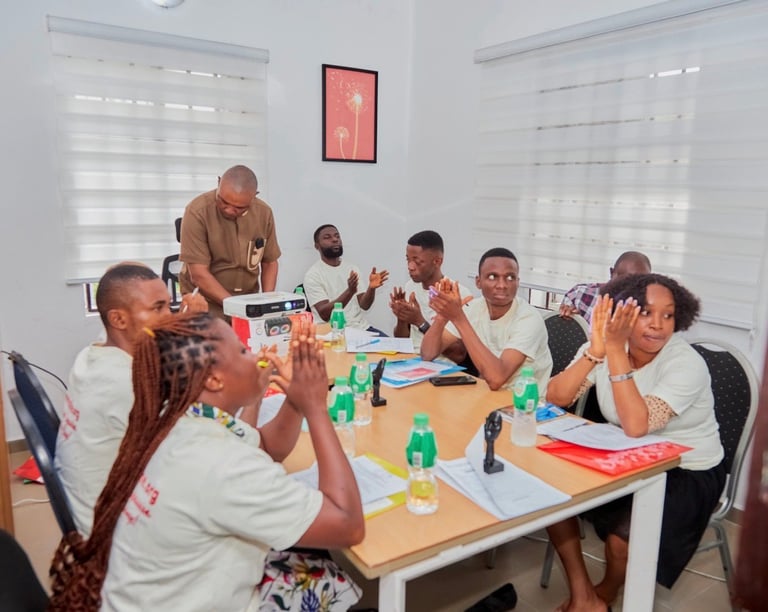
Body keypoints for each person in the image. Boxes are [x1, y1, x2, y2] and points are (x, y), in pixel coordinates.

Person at [49, 314, 365, 612]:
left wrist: (295, 403)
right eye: (243, 351)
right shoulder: (220, 463)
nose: (256, 356)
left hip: (152, 596)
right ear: (213, 379)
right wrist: (316, 408)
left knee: (313, 562)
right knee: (331, 578)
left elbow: (269, 447)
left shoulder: (181, 419)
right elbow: (348, 524)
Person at [545, 274, 725, 611]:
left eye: (668, 315)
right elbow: (555, 397)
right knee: (550, 494)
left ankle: (607, 591)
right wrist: (595, 353)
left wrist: (613, 352)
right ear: (620, 314)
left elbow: (637, 424)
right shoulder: (607, 345)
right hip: (627, 455)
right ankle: (585, 596)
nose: (658, 325)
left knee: (622, 541)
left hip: (686, 469)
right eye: (646, 312)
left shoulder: (686, 363)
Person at [55, 262, 206, 537]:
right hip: (114, 531)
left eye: (168, 306)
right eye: (157, 308)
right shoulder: (126, 384)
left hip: (99, 504)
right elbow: (193, 449)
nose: (168, 315)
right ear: (119, 320)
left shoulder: (94, 354)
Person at [420, 247, 552, 392]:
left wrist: (458, 318)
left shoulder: (529, 318)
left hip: (527, 405)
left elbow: (497, 379)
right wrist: (442, 316)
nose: (502, 285)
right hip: (487, 394)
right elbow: (427, 354)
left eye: (510, 278)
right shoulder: (474, 307)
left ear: (517, 282)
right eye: (492, 277)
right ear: (478, 282)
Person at [179, 165, 281, 319]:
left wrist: (267, 304)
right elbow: (199, 274)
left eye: (239, 208)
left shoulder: (264, 213)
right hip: (205, 305)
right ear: (218, 182)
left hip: (249, 302)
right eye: (223, 201)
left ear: (254, 196)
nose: (228, 210)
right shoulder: (197, 211)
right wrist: (235, 308)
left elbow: (270, 262)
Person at [389, 230, 473, 351]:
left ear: (437, 262)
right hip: (410, 359)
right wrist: (402, 317)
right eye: (408, 260)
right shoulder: (410, 287)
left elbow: (458, 353)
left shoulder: (458, 294)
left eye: (417, 261)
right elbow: (402, 341)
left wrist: (420, 322)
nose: (410, 267)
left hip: (442, 364)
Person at [303, 224, 389, 333]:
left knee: (395, 348)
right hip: (333, 333)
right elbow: (325, 314)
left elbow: (365, 305)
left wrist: (371, 288)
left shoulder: (352, 268)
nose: (335, 240)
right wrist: (350, 291)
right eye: (327, 237)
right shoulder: (313, 275)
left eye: (337, 236)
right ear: (317, 246)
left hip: (361, 329)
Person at [559, 251, 651, 323]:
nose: (633, 287)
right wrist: (571, 318)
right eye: (627, 280)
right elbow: (562, 336)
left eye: (642, 282)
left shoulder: (650, 308)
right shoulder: (579, 295)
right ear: (612, 273)